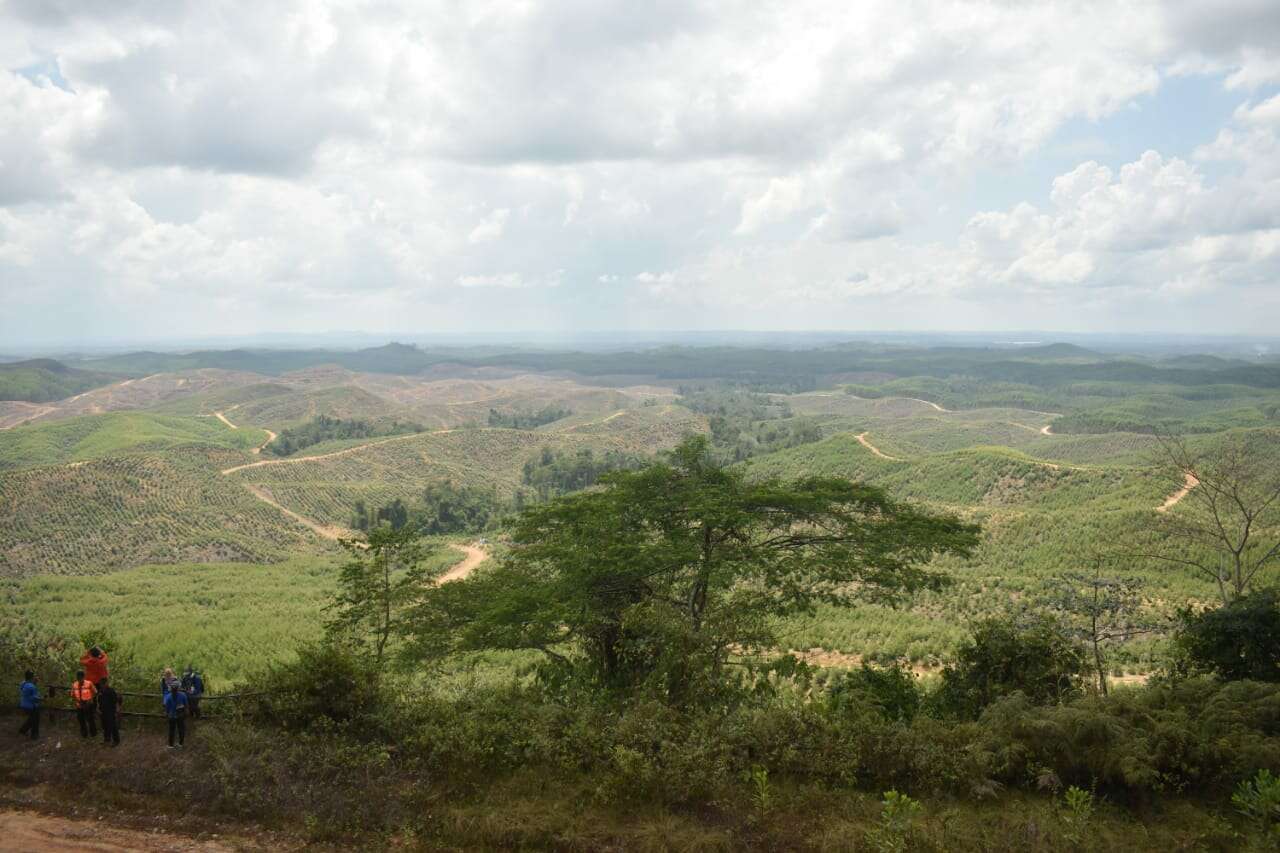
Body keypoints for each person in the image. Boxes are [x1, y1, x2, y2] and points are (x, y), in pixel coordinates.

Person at [69, 670, 98, 739]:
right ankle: (84, 734)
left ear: (83, 677)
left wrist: (90, 699)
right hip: (79, 705)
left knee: (90, 719)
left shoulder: (89, 683)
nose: (78, 678)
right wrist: (77, 701)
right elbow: (72, 694)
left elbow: (95, 692)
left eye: (80, 677)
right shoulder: (74, 684)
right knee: (81, 720)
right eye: (77, 677)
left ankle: (93, 733)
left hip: (88, 705)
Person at [97, 677, 122, 747]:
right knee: (105, 725)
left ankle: (116, 740)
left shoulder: (111, 691)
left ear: (106, 684)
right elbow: (99, 701)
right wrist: (98, 709)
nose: (101, 685)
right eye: (101, 684)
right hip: (103, 711)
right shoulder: (101, 691)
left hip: (110, 711)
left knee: (113, 726)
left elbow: (116, 700)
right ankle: (106, 740)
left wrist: (117, 710)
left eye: (103, 684)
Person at [163, 684, 188, 748]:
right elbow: (186, 705)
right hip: (180, 715)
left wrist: (167, 714)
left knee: (171, 730)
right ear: (178, 689)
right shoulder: (183, 695)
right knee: (181, 729)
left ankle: (171, 745)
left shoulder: (168, 697)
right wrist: (185, 712)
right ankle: (180, 744)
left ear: (171, 690)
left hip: (172, 716)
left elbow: (167, 708)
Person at [17, 671, 40, 740]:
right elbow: (34, 698)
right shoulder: (32, 687)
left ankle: (23, 730)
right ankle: (34, 736)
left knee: (32, 719)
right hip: (31, 706)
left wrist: (34, 682)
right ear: (32, 677)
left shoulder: (23, 683)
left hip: (23, 704)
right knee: (35, 720)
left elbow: (27, 692)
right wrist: (41, 699)